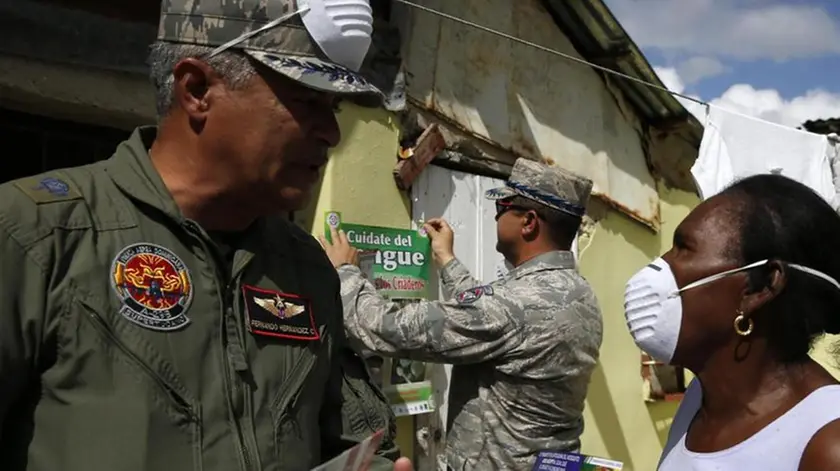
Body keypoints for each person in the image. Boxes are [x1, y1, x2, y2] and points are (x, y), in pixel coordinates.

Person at [0, 1, 411, 470]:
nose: (331, 133)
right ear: (197, 89)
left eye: (333, 107)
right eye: (306, 100)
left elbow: (353, 441)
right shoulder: (36, 232)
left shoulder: (306, 269)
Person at [322, 158, 604, 470]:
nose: (495, 216)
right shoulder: (580, 294)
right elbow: (487, 319)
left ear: (529, 222)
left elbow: (386, 327)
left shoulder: (513, 305)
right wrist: (447, 259)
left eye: (502, 207)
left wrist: (344, 272)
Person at [623, 174, 840, 470]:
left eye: (683, 248)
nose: (661, 265)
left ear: (759, 288)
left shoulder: (828, 445)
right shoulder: (700, 400)